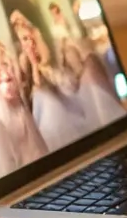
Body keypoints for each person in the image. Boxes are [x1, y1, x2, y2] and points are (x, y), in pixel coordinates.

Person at [0, 34, 49, 177]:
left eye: (0, 56)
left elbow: (18, 83)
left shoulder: (8, 66)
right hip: (1, 113)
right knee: (7, 145)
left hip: (17, 110)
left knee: (28, 142)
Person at [9, 9, 82, 148]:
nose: (28, 42)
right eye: (23, 39)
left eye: (29, 38)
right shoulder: (23, 60)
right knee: (45, 103)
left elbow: (57, 78)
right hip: (38, 103)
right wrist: (33, 62)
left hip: (57, 95)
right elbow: (34, 85)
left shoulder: (45, 51)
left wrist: (41, 64)